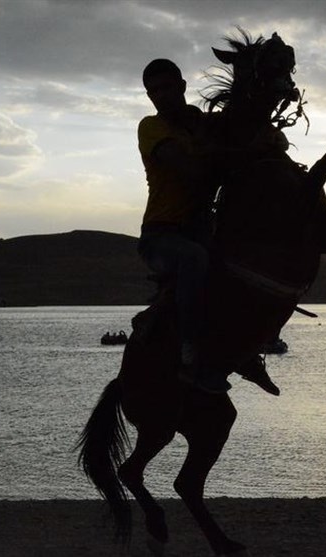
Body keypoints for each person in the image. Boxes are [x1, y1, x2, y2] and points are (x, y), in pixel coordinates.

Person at [133, 58, 226, 393]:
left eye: (166, 87)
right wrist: (209, 138)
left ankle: (247, 349)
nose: (160, 96)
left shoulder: (201, 125)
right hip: (160, 236)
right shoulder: (151, 127)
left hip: (200, 230)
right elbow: (190, 171)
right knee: (193, 259)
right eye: (153, 91)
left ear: (183, 87)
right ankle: (190, 348)